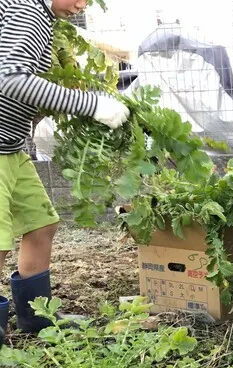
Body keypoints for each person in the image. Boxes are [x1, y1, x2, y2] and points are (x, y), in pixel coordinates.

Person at [0, 0, 131, 349]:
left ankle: (38, 318)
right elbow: (11, 79)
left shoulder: (42, 16)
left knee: (41, 224)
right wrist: (91, 105)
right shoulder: (25, 10)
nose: (82, 4)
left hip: (10, 148)